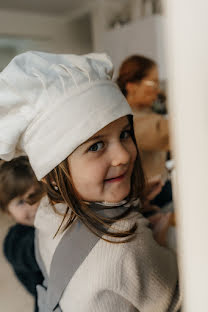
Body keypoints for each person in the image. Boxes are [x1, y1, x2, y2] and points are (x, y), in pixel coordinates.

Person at [0, 51, 181, 311]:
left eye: (125, 134)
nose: (123, 155)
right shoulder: (127, 247)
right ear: (54, 170)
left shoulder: (47, 212)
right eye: (96, 146)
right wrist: (162, 239)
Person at [117, 55, 171, 207]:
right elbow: (170, 133)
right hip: (151, 196)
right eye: (152, 83)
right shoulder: (128, 119)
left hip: (162, 187)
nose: (157, 90)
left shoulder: (146, 113)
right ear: (131, 86)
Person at [0, 156, 44, 312]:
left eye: (34, 195)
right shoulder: (14, 241)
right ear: (8, 212)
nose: (32, 205)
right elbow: (33, 253)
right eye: (20, 202)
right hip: (48, 302)